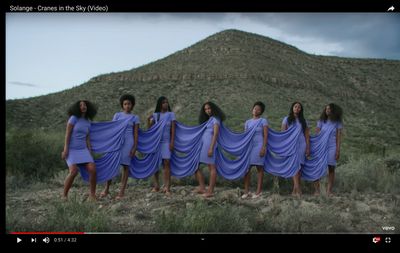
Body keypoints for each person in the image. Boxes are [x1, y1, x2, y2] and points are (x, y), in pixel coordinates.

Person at [100, 94, 139, 200]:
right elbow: (112, 129)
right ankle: (106, 189)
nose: (127, 106)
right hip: (117, 143)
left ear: (132, 105)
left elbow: (136, 134)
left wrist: (134, 147)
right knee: (112, 165)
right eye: (125, 104)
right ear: (122, 105)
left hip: (129, 143)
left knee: (126, 167)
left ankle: (121, 191)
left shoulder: (135, 118)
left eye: (129, 104)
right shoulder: (117, 115)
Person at [62, 100, 97, 201]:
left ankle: (92, 195)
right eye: (80, 105)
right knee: (73, 171)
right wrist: (65, 149)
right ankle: (64, 195)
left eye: (84, 105)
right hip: (72, 149)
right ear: (77, 108)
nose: (83, 106)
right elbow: (67, 134)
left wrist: (89, 150)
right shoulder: (73, 118)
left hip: (83, 150)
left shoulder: (88, 121)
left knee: (93, 169)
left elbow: (87, 137)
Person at [194, 101, 225, 198]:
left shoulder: (215, 119)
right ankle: (202, 187)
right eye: (206, 109)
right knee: (195, 165)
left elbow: (215, 134)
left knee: (212, 167)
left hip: (209, 145)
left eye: (209, 108)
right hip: (204, 145)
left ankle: (210, 191)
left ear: (213, 109)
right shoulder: (209, 119)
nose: (207, 111)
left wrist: (211, 148)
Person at [147, 96, 175, 196]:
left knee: (166, 163)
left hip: (167, 142)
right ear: (160, 104)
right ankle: (156, 186)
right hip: (156, 142)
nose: (165, 104)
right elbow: (150, 130)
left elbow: (173, 130)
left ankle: (167, 187)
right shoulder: (156, 115)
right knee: (155, 164)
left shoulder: (171, 114)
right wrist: (148, 121)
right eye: (163, 102)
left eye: (167, 102)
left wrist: (172, 142)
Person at [281, 102, 310, 197]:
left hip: (301, 144)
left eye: (299, 107)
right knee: (294, 166)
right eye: (295, 106)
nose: (297, 108)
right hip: (291, 145)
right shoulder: (286, 119)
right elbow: (283, 134)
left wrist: (308, 147)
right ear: (292, 108)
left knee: (299, 167)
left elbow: (306, 136)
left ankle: (294, 191)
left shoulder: (304, 121)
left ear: (301, 110)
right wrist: (284, 147)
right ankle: (299, 190)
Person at [314, 103, 343, 196]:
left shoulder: (338, 122)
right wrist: (316, 148)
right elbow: (317, 135)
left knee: (331, 168)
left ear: (333, 111)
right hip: (321, 147)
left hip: (332, 147)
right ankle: (317, 190)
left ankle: (329, 191)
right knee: (318, 168)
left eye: (329, 109)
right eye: (326, 109)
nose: (327, 110)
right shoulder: (321, 121)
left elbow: (338, 137)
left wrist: (338, 150)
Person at [241, 102, 268, 199]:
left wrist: (263, 148)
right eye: (255, 108)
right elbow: (245, 136)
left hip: (259, 146)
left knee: (259, 169)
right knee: (246, 169)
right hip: (249, 147)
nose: (256, 110)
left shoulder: (263, 121)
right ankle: (246, 191)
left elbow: (265, 136)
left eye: (258, 109)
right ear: (252, 109)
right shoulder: (247, 122)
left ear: (261, 111)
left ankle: (258, 191)